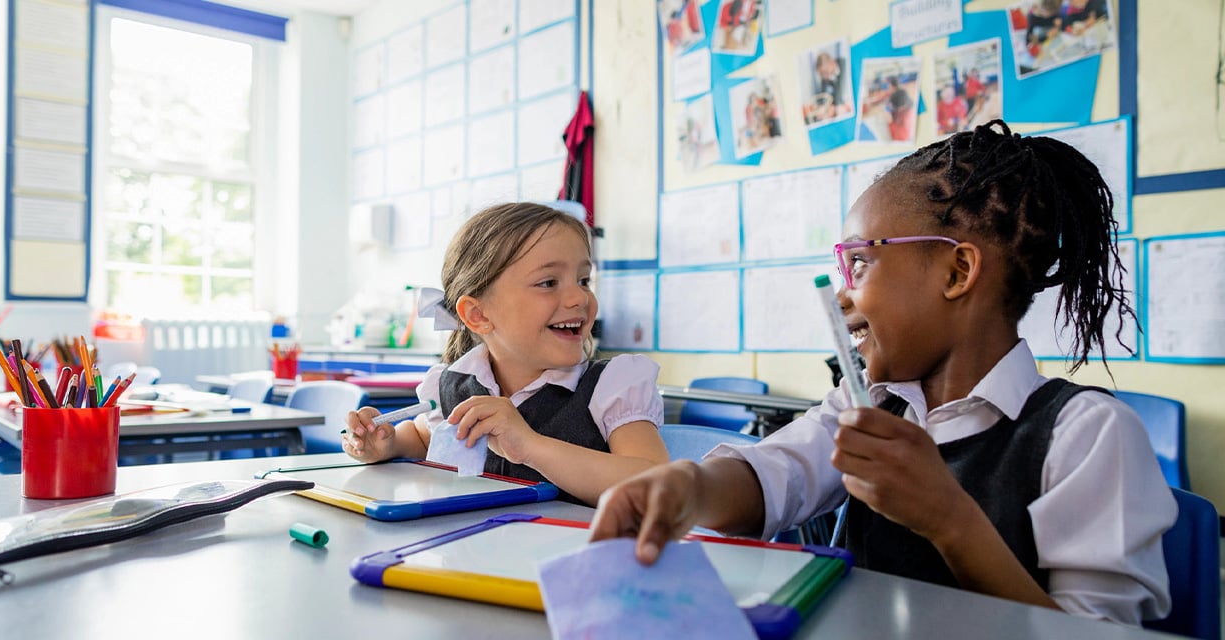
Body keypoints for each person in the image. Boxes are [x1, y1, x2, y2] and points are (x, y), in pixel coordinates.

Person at [590, 120, 1175, 626]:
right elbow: (776, 475)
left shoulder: (1086, 435)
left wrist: (949, 521)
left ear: (956, 272)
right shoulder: (868, 403)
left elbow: (1093, 632)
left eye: (861, 263)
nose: (843, 296)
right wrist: (689, 489)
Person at [343, 203, 669, 506]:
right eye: (548, 282)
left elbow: (659, 486)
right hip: (477, 557)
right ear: (478, 315)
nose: (579, 298)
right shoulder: (454, 384)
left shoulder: (613, 387)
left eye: (584, 280)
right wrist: (388, 443)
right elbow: (422, 435)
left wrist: (530, 446)